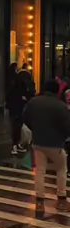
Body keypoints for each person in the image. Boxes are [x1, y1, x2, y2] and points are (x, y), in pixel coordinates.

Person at [23, 80, 70, 215]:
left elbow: (25, 118)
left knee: (40, 171)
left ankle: (39, 202)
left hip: (38, 141)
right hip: (55, 143)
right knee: (61, 168)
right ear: (57, 91)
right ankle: (61, 199)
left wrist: (35, 129)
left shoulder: (33, 102)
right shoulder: (60, 106)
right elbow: (67, 126)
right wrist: (63, 137)